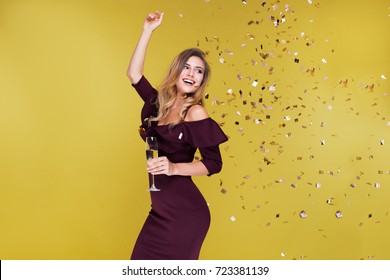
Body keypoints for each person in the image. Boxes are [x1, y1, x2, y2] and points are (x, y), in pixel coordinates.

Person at [126, 11, 228, 260]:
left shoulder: (194, 113)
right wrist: (147, 30)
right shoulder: (157, 104)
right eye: (187, 68)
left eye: (199, 71)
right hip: (159, 211)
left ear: (202, 80)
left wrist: (173, 168)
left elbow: (214, 164)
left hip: (185, 213)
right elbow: (134, 75)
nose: (192, 74)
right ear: (177, 71)